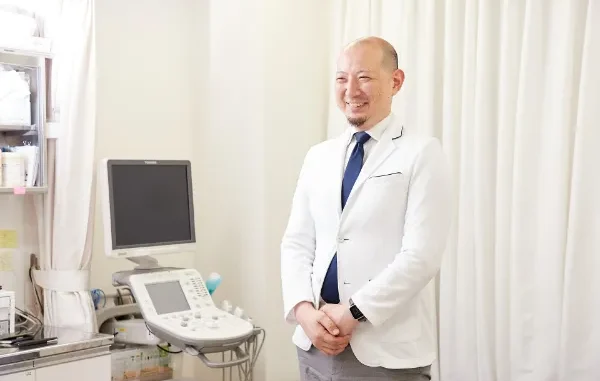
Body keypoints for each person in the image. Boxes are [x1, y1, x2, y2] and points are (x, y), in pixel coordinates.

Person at [280, 36, 453, 381]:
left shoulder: (421, 153)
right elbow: (297, 243)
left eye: (364, 77)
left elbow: (421, 256)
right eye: (342, 78)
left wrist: (352, 312)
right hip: (314, 345)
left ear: (396, 81)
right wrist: (302, 311)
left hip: (383, 351)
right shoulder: (319, 156)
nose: (350, 90)